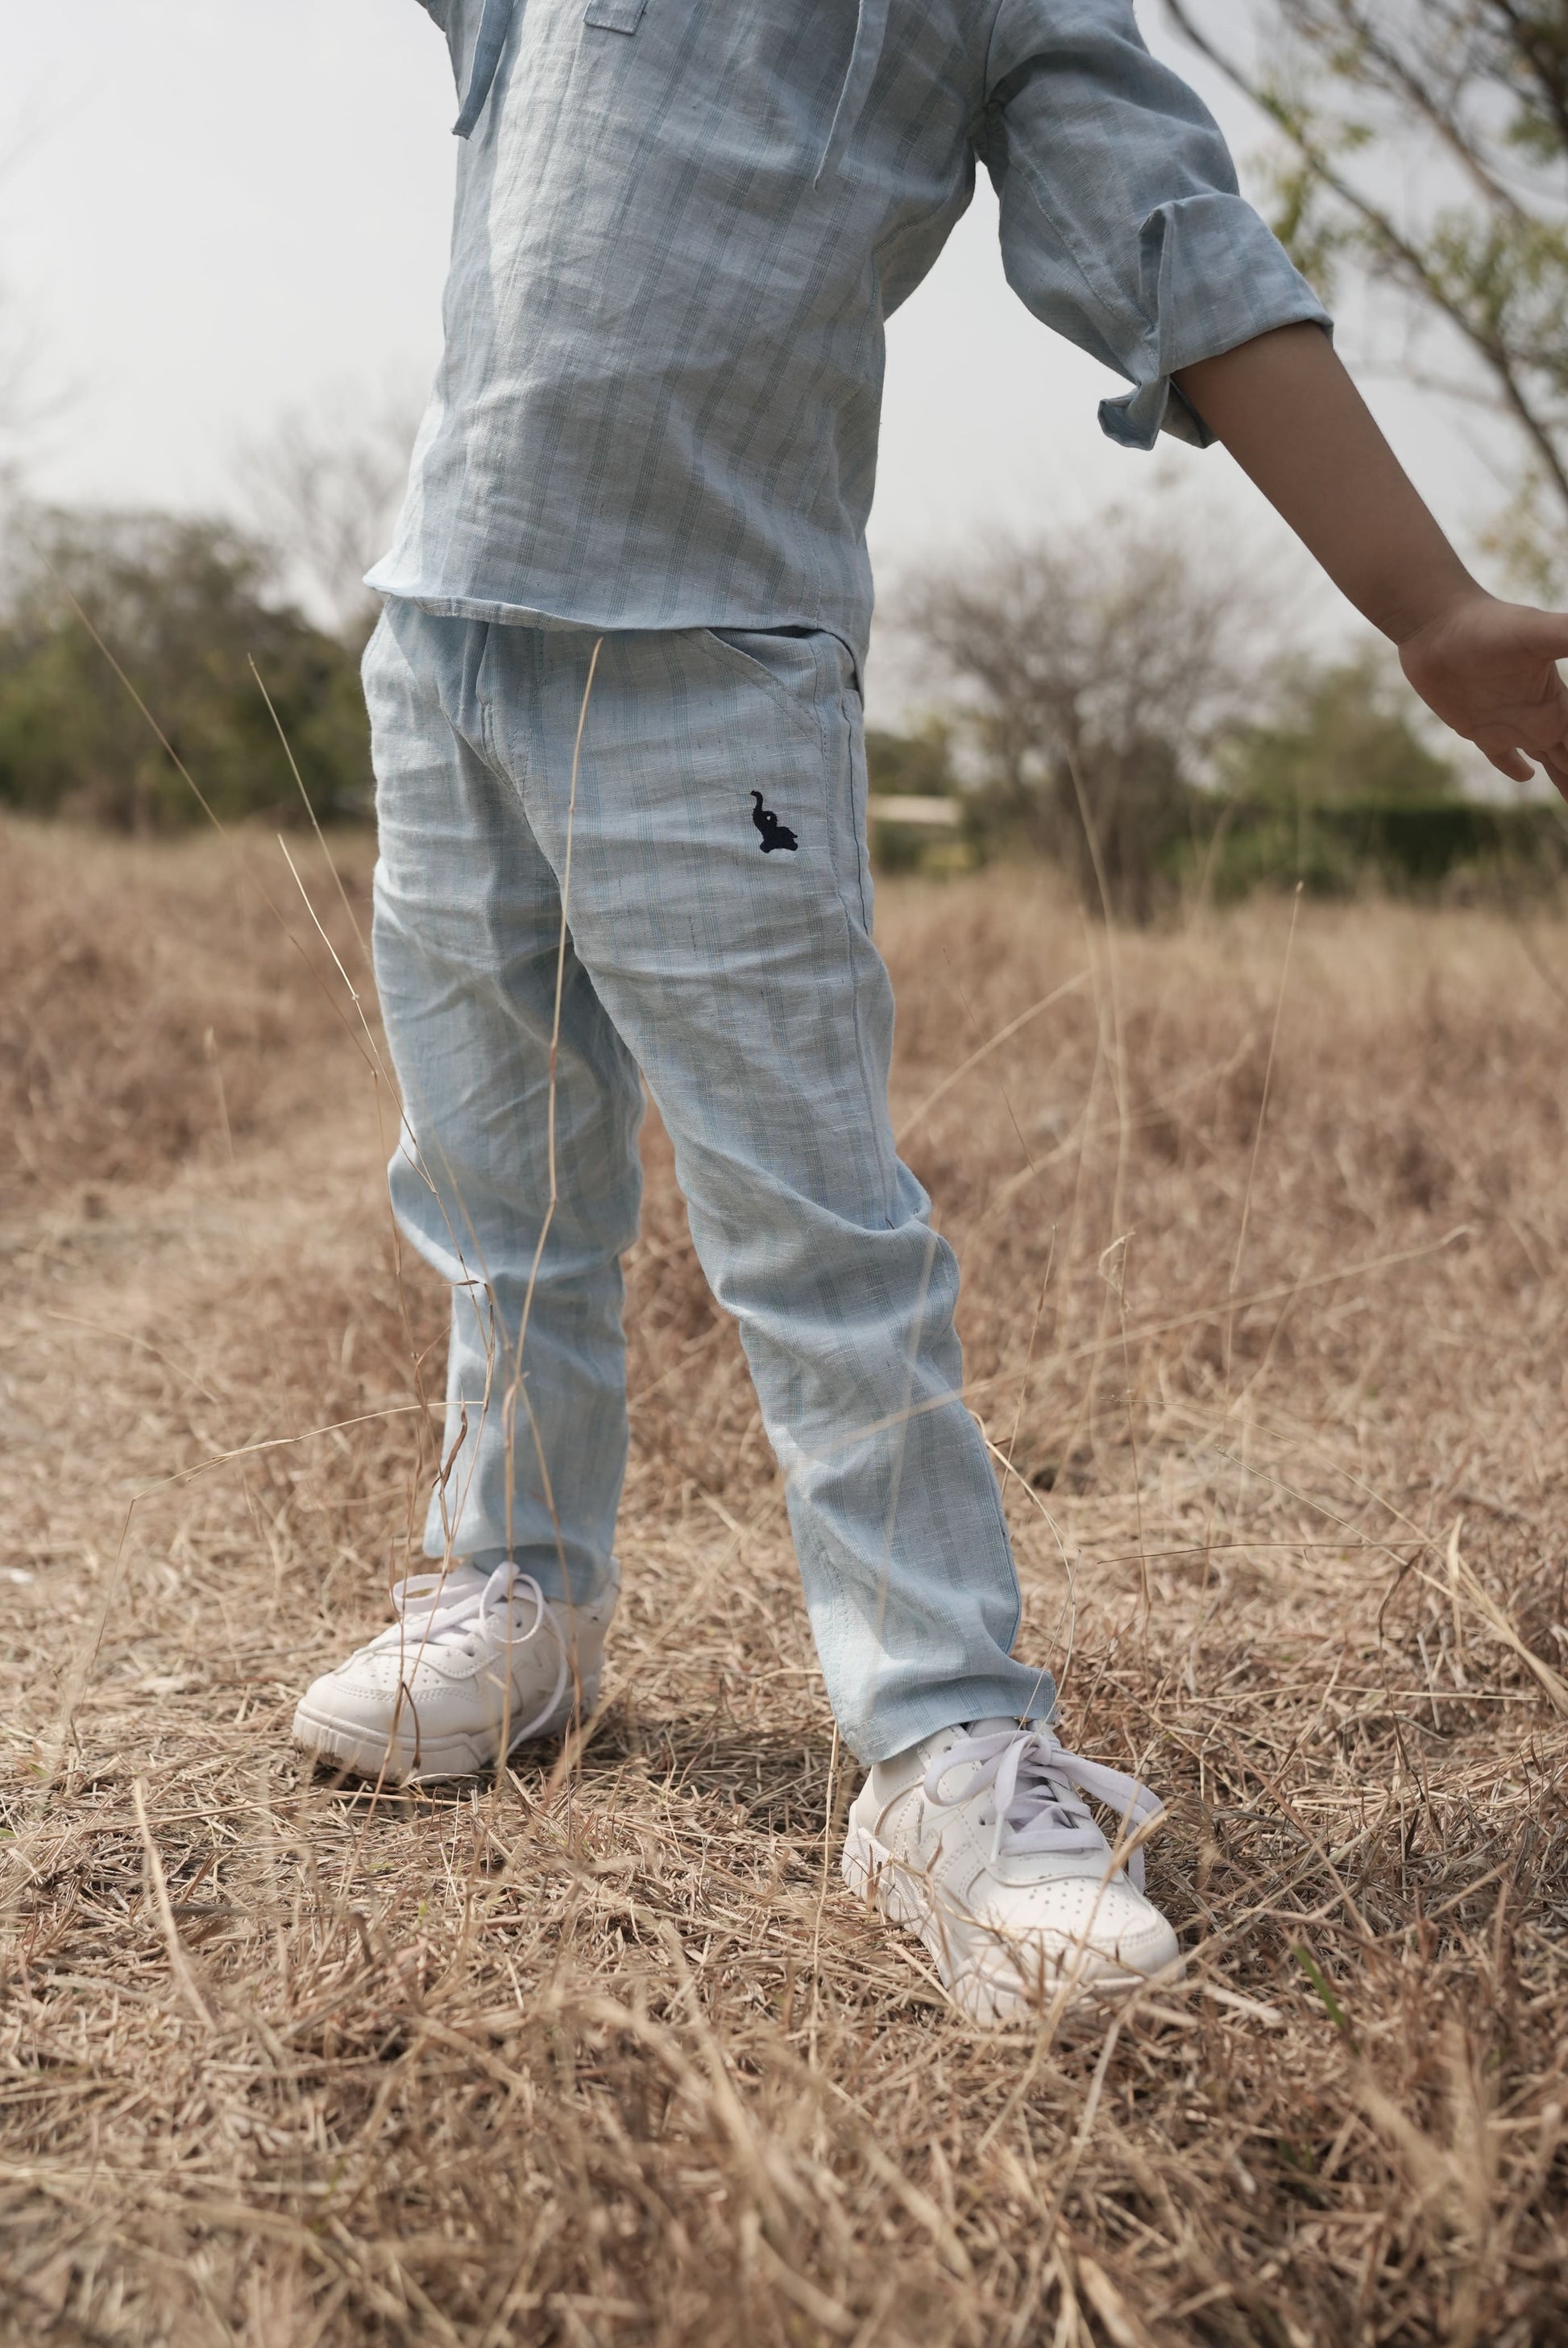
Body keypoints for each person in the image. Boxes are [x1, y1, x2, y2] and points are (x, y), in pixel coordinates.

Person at [292, 0, 1568, 2022]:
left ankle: (945, 1740)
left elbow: (1179, 247)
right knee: (495, 1184)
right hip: (442, 630)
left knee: (813, 1234)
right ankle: (517, 1588)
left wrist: (1424, 604)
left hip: (717, 671)